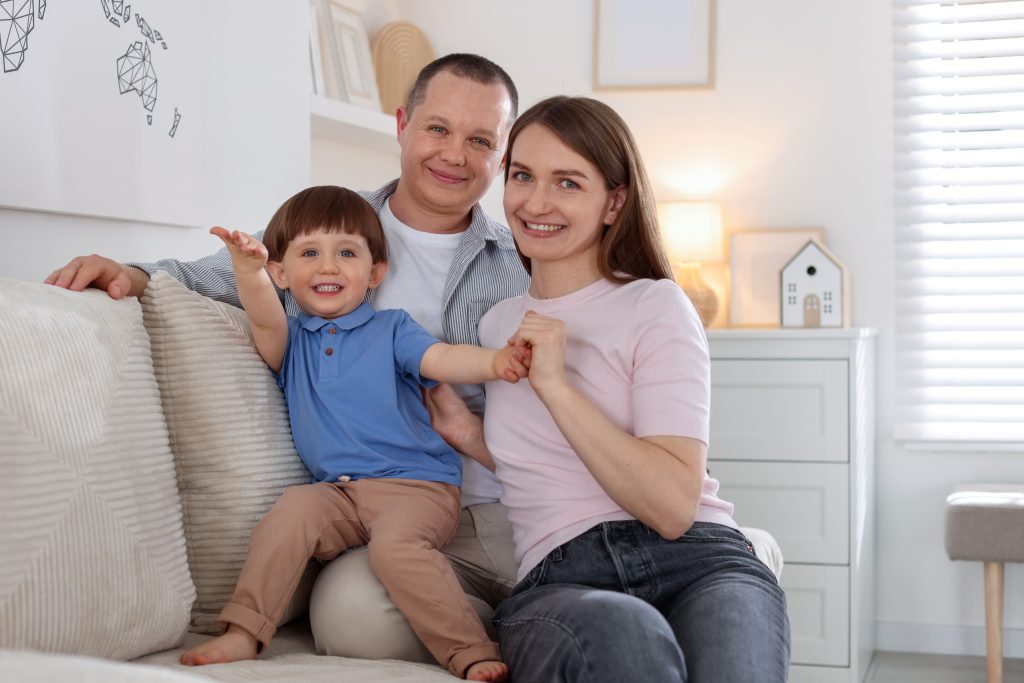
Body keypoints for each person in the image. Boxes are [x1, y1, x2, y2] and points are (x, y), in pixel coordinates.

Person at [44, 53, 529, 662]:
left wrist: (479, 415)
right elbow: (228, 275)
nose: (454, 154)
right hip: (350, 503)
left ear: (502, 154)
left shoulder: (516, 266)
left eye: (479, 139)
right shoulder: (330, 221)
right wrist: (133, 273)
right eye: (437, 128)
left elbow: (541, 398)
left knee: (560, 580)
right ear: (402, 124)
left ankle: (499, 618)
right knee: (352, 624)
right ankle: (455, 620)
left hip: (473, 504)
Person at [442, 96, 792, 682]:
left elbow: (673, 506)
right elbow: (546, 463)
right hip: (562, 577)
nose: (536, 202)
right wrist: (468, 435)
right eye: (522, 175)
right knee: (629, 636)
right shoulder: (496, 325)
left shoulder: (655, 305)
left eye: (568, 183)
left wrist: (555, 384)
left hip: (700, 558)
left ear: (615, 202)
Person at [179, 185, 525, 681]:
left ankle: (470, 651)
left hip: (418, 485)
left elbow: (441, 358)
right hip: (338, 493)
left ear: (375, 272)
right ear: (282, 272)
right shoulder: (291, 341)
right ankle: (243, 631)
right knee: (291, 510)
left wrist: (496, 362)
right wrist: (248, 270)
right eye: (309, 254)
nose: (328, 267)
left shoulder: (393, 328)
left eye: (346, 253)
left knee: (394, 549)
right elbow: (260, 312)